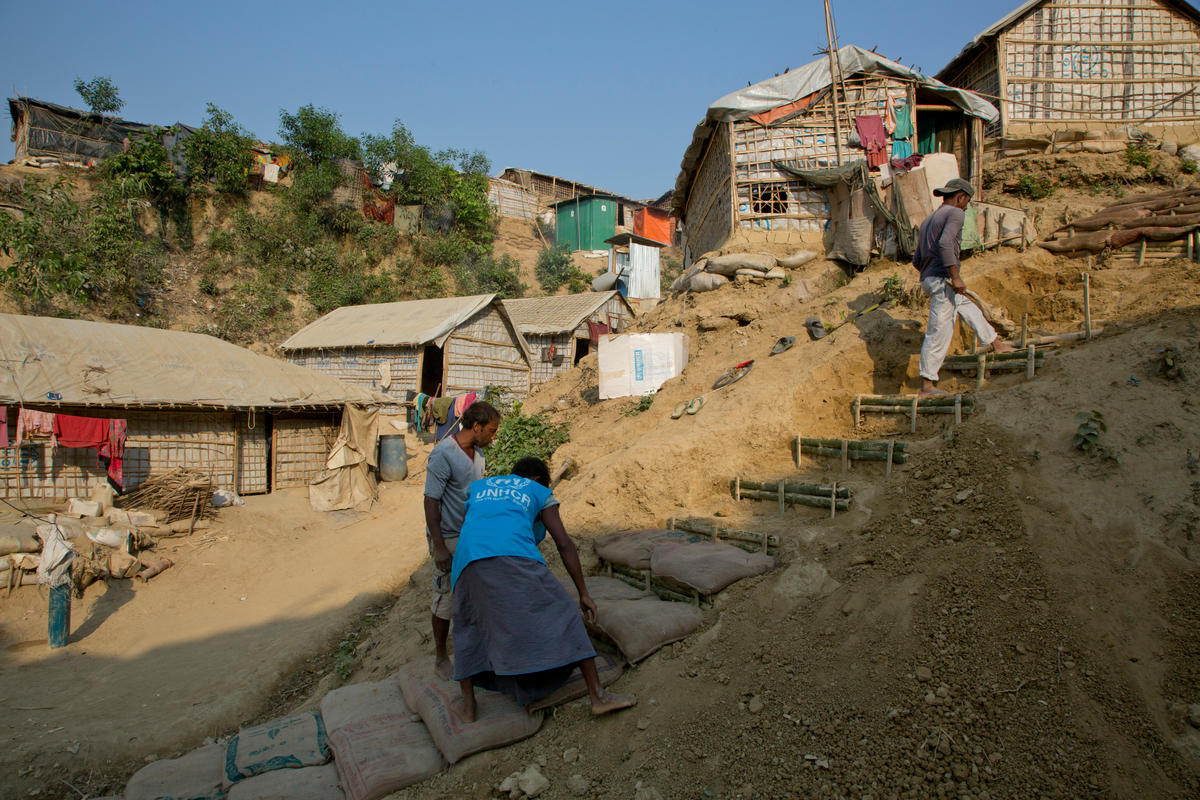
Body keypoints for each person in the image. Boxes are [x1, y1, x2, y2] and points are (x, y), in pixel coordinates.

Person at [449, 456, 636, 722]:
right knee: (566, 614)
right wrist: (583, 593)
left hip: (466, 561)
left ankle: (468, 708)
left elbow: (475, 526)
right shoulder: (539, 491)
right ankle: (599, 696)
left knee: (470, 626)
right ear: (537, 479)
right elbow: (564, 544)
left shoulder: (478, 488)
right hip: (514, 553)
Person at [912, 177, 1014, 396]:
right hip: (942, 279)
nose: (966, 207)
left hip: (931, 278)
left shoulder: (930, 218)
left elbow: (916, 260)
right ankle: (927, 384)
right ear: (961, 197)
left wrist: (932, 276)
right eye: (967, 202)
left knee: (967, 307)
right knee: (940, 330)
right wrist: (954, 276)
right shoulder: (955, 213)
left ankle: (995, 343)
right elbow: (946, 243)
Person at [423, 400, 501, 680]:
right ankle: (441, 656)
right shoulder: (443, 455)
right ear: (476, 426)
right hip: (448, 537)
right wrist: (440, 546)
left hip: (470, 536)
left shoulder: (478, 454)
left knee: (475, 593)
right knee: (445, 597)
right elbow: (431, 501)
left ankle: (476, 649)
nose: (494, 437)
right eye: (491, 431)